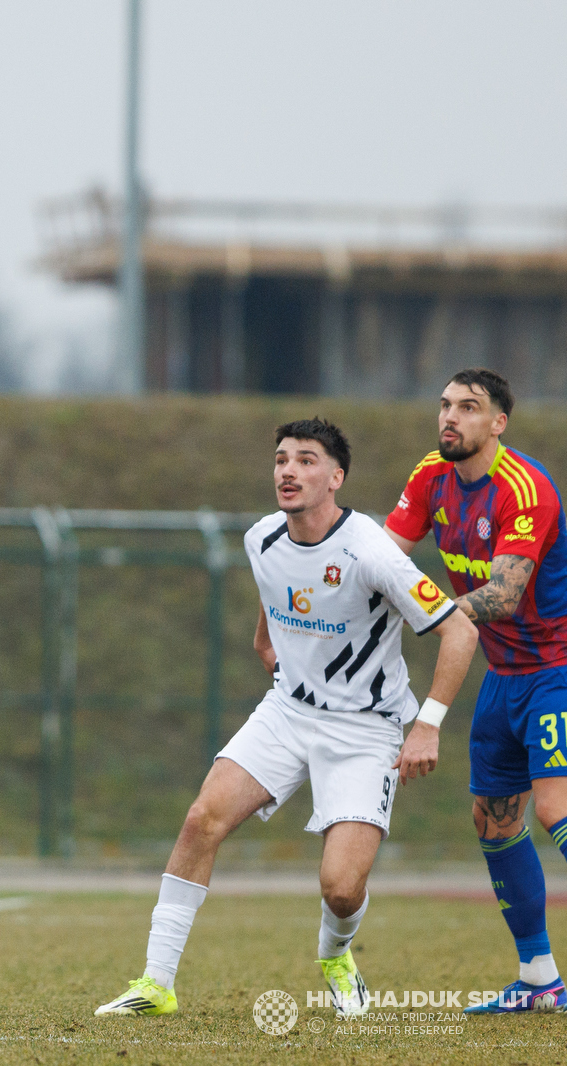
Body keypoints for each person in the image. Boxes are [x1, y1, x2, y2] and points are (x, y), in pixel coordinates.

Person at [95, 419, 478, 1019]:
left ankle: (336, 956)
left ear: (336, 477)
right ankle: (156, 982)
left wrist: (427, 725)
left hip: (365, 729)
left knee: (341, 888)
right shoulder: (263, 537)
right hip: (288, 710)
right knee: (201, 821)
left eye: (305, 460)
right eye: (280, 460)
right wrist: (265, 642)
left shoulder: (371, 551)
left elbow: (460, 631)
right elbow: (275, 596)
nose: (288, 472)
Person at [384, 368, 567, 1013]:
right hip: (502, 675)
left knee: (555, 808)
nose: (450, 417)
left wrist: (428, 612)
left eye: (468, 407)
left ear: (498, 423)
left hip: (557, 668)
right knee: (493, 818)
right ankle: (540, 980)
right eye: (445, 405)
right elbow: (383, 559)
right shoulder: (431, 476)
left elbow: (504, 595)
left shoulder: (525, 488)